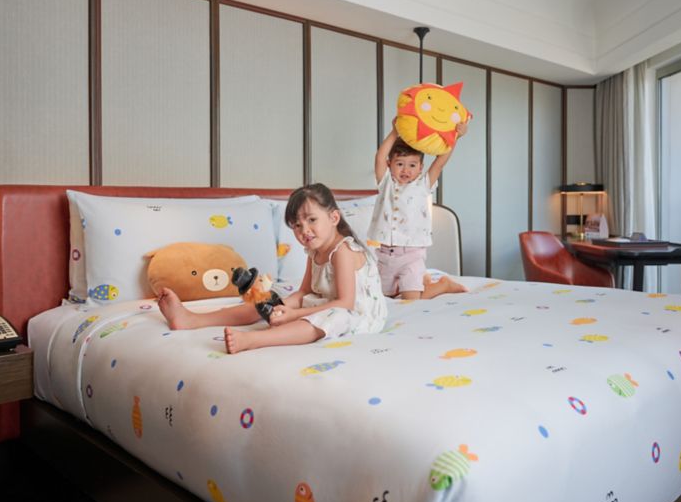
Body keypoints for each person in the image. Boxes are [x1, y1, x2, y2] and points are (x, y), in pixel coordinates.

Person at [158, 183, 388, 354]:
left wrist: (295, 315)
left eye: (311, 220)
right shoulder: (315, 251)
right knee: (263, 302)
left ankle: (254, 340)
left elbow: (345, 303)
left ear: (334, 217)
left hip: (357, 314)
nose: (304, 230)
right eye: (297, 225)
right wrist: (279, 307)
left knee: (329, 318)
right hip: (326, 303)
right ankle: (192, 320)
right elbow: (303, 293)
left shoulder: (343, 251)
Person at [368, 119, 469, 300]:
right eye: (400, 164)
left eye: (412, 165)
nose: (405, 170)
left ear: (421, 167)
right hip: (384, 255)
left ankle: (443, 284)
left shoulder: (423, 185)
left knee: (411, 298)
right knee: (386, 296)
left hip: (411, 255)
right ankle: (423, 280)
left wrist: (455, 137)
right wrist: (394, 132)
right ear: (390, 164)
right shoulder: (386, 183)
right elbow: (379, 158)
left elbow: (440, 162)